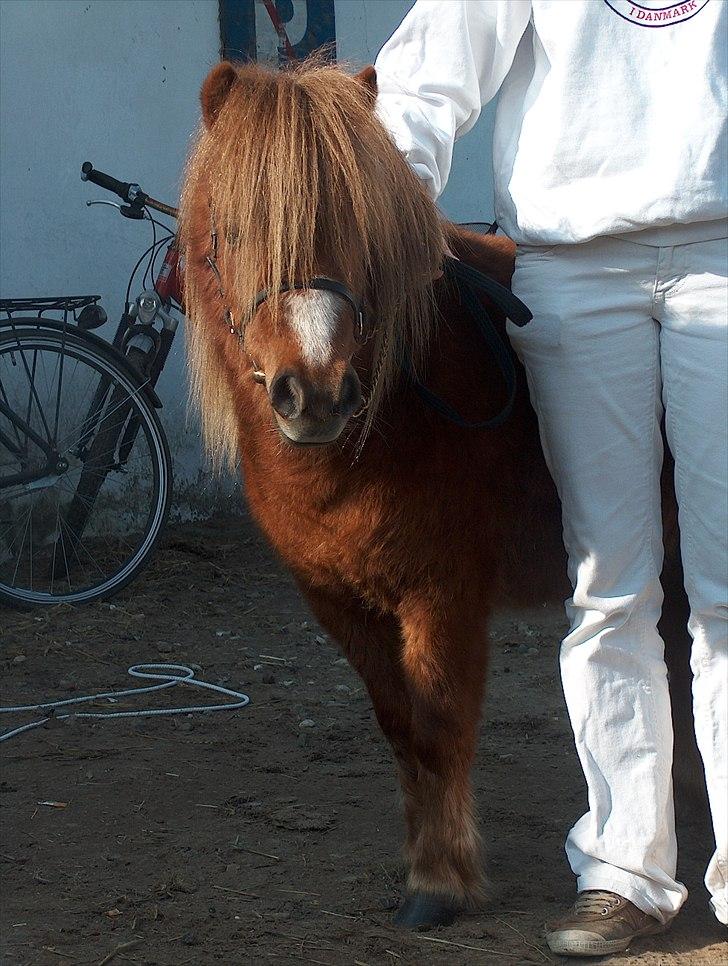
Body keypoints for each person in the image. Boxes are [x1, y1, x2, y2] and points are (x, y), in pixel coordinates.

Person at [373, 0, 727, 957]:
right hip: (574, 266)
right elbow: (424, 78)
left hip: (724, 253)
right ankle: (624, 871)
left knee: (727, 589)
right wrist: (392, 218)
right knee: (610, 584)